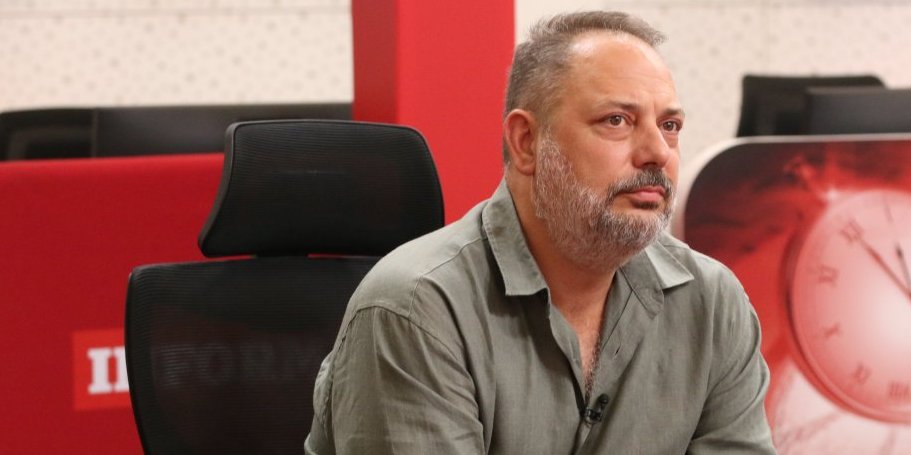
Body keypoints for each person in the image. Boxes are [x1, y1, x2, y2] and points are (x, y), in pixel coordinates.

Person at [305, 11, 776, 454]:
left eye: (670, 125)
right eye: (617, 120)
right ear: (527, 142)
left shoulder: (712, 302)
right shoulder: (417, 308)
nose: (658, 151)